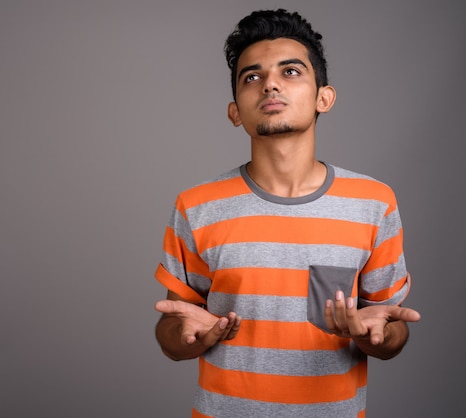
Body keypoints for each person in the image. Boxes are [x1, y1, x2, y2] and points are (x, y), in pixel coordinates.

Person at [153, 9, 421, 417]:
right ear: (235, 111)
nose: (270, 84)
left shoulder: (374, 202)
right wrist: (188, 336)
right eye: (252, 77)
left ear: (323, 98)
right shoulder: (196, 206)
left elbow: (392, 328)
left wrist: (376, 336)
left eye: (291, 71)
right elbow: (173, 329)